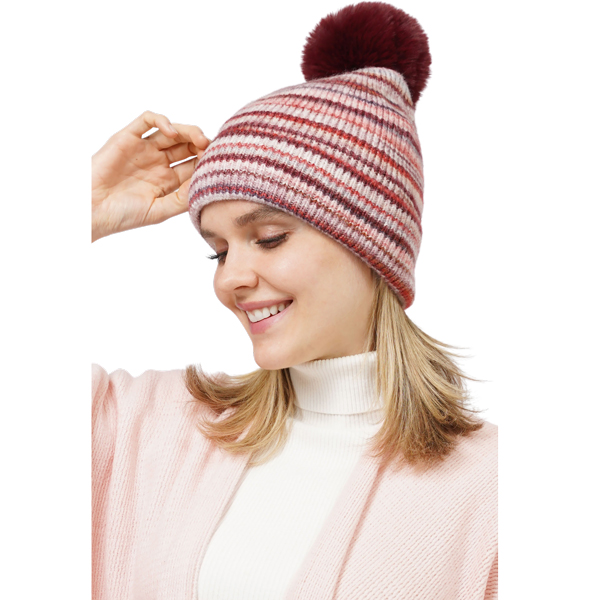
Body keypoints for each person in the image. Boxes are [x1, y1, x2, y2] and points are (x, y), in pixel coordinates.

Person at [92, 3, 497, 599]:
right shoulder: (147, 426)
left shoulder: (494, 491)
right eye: (218, 251)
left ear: (371, 244)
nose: (230, 279)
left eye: (269, 238)